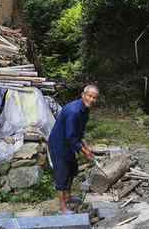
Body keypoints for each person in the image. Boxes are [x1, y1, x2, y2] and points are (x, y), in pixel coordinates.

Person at [48, 84, 99, 214]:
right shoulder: (73, 111)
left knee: (72, 169)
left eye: (94, 97)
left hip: (69, 144)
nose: (91, 99)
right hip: (59, 144)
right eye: (89, 96)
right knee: (62, 175)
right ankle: (63, 207)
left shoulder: (85, 109)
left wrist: (87, 147)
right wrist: (84, 152)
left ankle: (69, 197)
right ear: (83, 95)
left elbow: (79, 132)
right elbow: (71, 136)